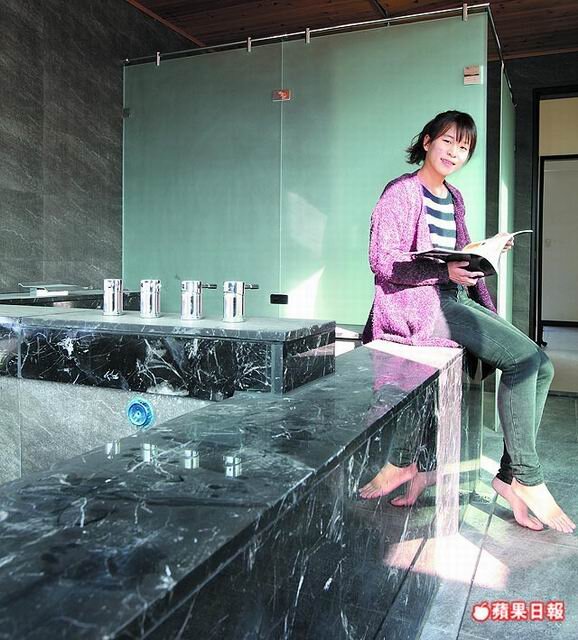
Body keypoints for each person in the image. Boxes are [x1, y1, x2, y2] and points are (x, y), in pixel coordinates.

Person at [359, 110, 575, 534]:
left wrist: (482, 254)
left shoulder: (454, 197)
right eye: (447, 142)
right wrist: (445, 271)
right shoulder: (401, 192)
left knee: (542, 364)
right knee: (523, 361)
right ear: (426, 141)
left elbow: (456, 256)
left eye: (464, 147)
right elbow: (382, 261)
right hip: (419, 306)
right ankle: (525, 478)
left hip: (452, 298)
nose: (454, 153)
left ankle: (508, 477)